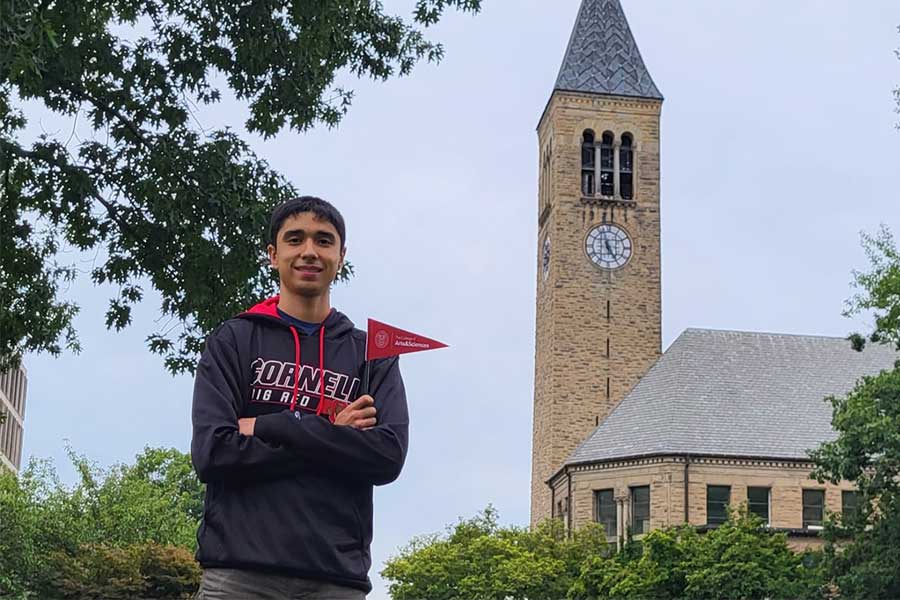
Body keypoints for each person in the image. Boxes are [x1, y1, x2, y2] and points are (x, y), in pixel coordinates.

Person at [191, 196, 409, 599]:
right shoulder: (233, 341)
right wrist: (332, 433)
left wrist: (268, 426)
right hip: (238, 573)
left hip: (335, 577)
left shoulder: (371, 357)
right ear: (273, 255)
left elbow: (386, 456)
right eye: (295, 239)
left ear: (341, 257)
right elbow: (213, 452)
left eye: (324, 241)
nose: (309, 251)